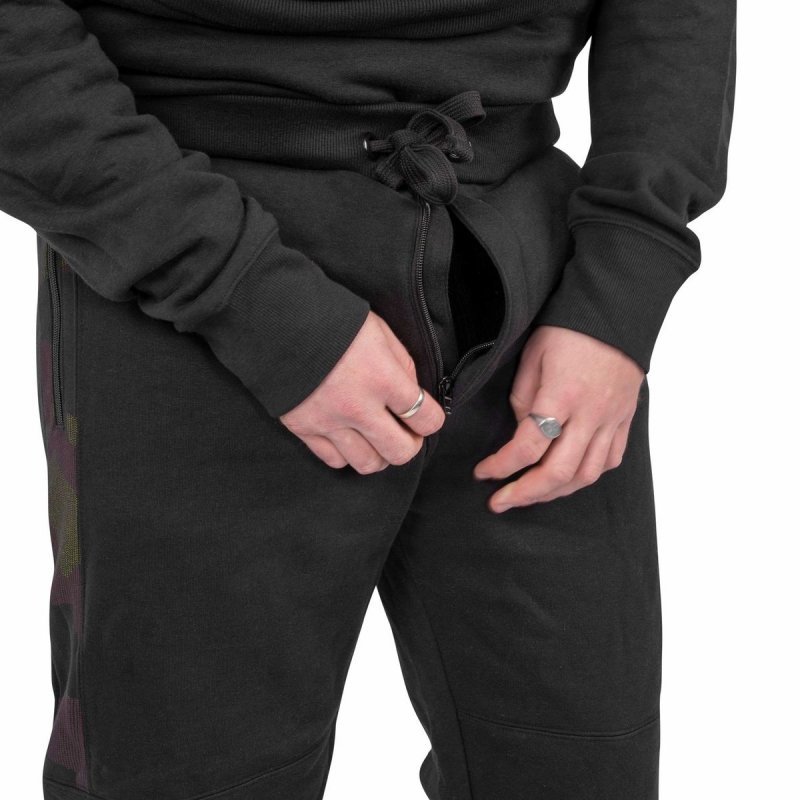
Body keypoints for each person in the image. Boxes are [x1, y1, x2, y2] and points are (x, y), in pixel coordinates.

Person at [0, 1, 736, 798]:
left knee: (578, 767)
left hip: (530, 271)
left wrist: (621, 285)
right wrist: (244, 295)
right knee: (189, 773)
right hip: (185, 260)